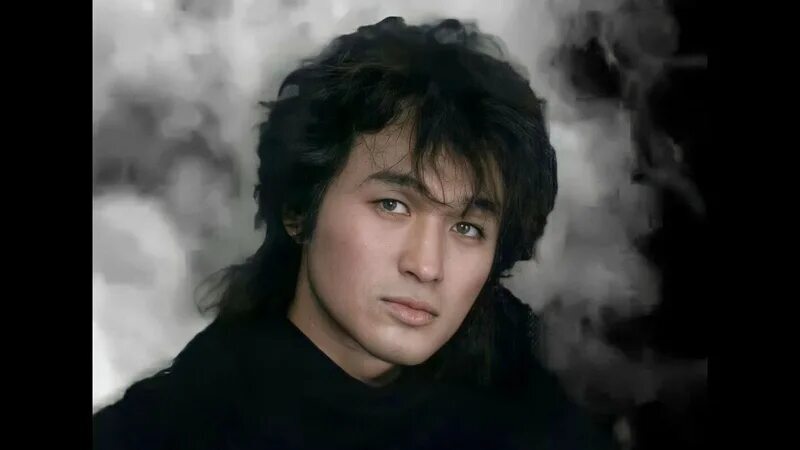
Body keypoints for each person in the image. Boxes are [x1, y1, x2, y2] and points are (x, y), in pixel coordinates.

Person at [93, 16, 619, 450]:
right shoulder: (169, 429)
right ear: (300, 208)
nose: (426, 266)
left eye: (467, 227)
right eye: (392, 205)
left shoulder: (538, 393)